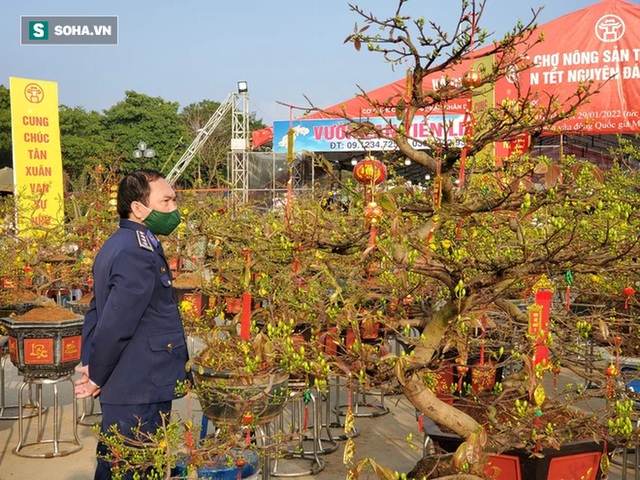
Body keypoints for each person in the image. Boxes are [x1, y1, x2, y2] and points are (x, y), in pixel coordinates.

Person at [75, 169, 189, 479]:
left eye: (174, 200)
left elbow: (96, 310)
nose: (173, 209)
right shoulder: (134, 252)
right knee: (128, 467)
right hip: (139, 383)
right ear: (138, 208)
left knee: (124, 464)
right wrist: (96, 374)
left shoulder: (123, 243)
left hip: (133, 380)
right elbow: (116, 323)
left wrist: (89, 362)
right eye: (165, 201)